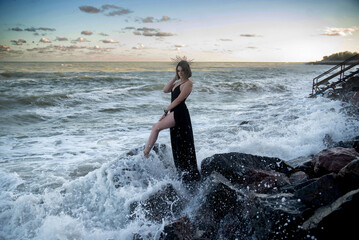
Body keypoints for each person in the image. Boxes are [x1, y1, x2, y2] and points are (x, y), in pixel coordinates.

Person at [144, 60, 201, 183]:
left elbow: (179, 100)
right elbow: (165, 90)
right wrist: (175, 77)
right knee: (178, 143)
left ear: (187, 71)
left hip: (180, 113)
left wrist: (166, 110)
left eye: (182, 71)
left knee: (156, 127)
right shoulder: (177, 82)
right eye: (178, 71)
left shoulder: (188, 83)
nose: (180, 73)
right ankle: (182, 172)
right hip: (174, 112)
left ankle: (145, 153)